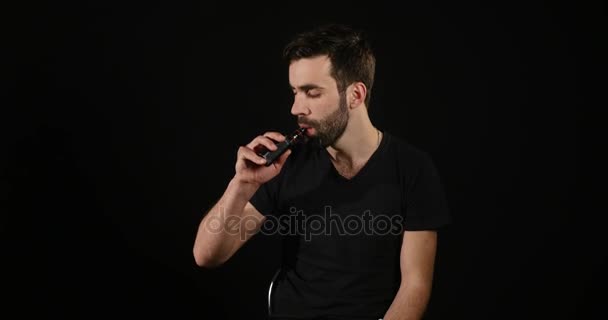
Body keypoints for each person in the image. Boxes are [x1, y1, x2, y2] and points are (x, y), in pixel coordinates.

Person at [193, 23, 451, 320]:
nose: (295, 107)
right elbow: (206, 255)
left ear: (355, 94)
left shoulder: (413, 168)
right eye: (294, 92)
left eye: (311, 93)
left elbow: (415, 286)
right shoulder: (287, 163)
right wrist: (241, 185)